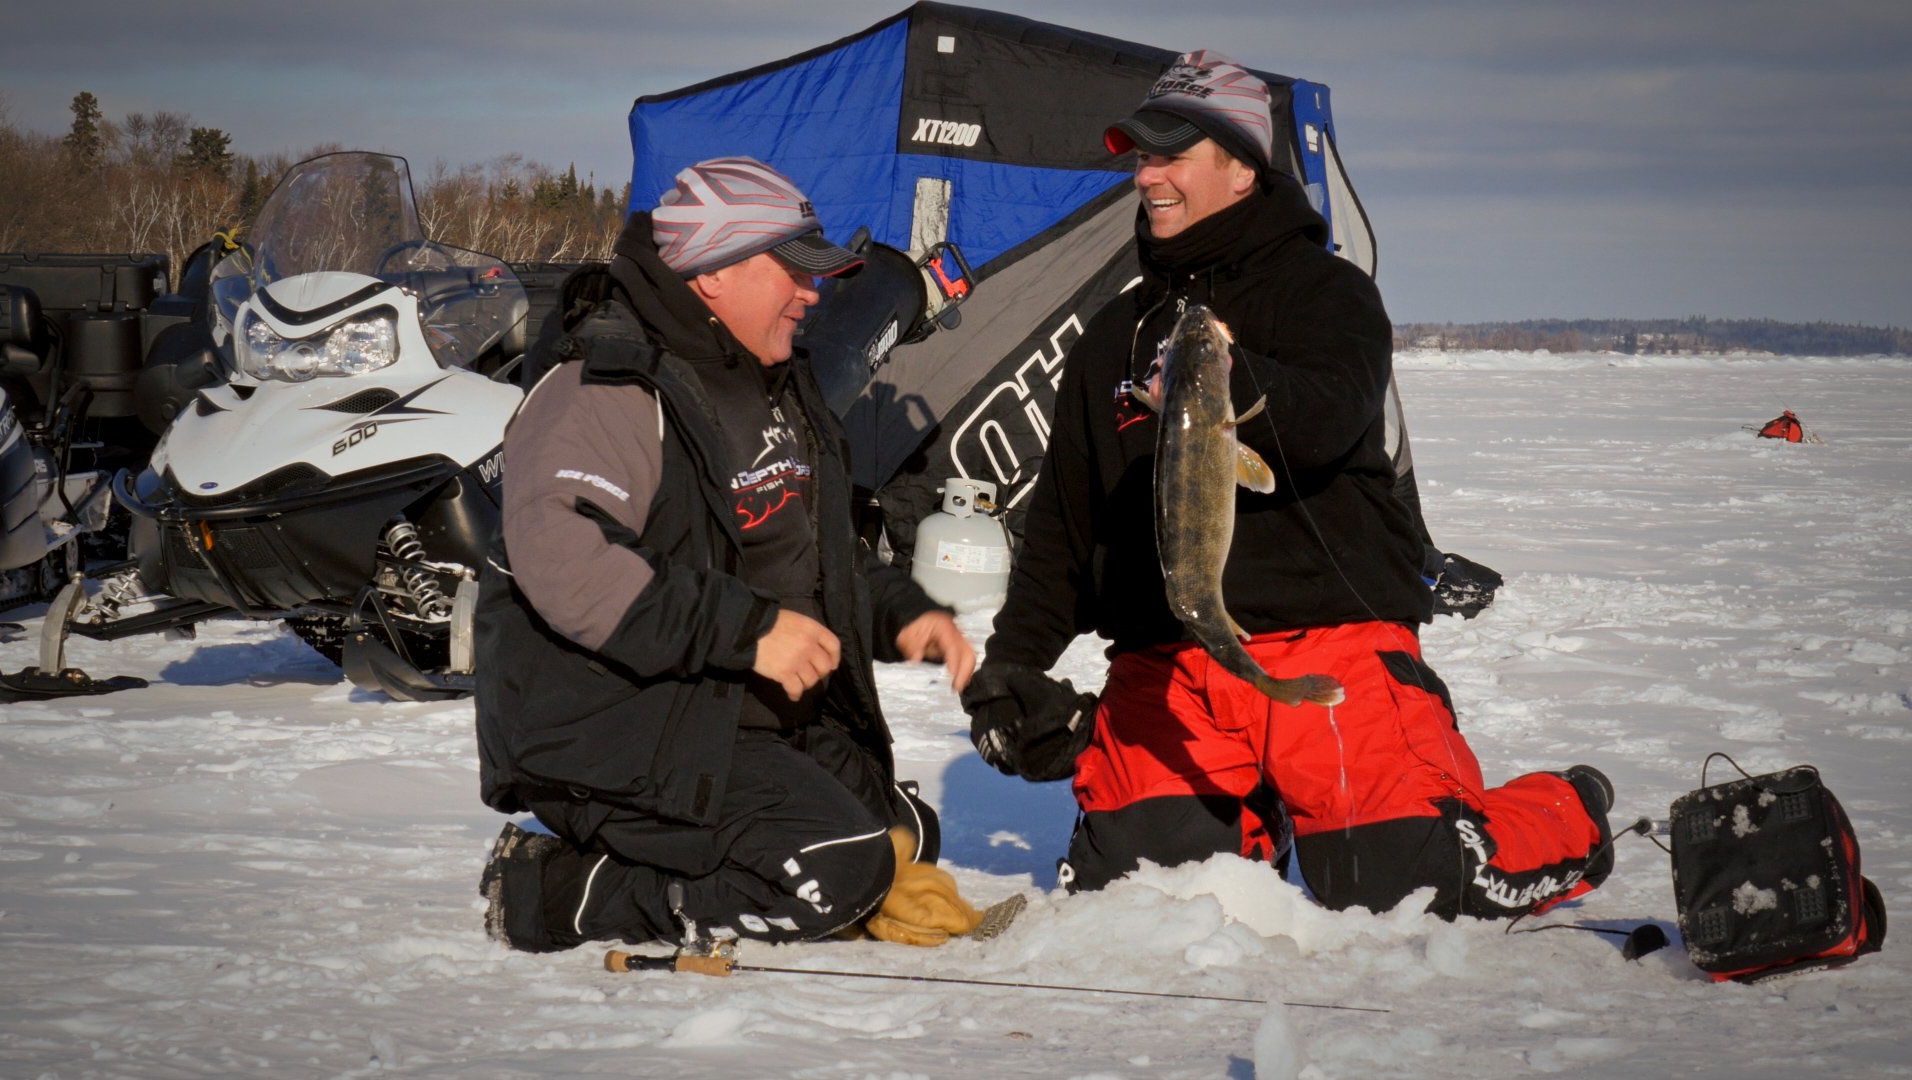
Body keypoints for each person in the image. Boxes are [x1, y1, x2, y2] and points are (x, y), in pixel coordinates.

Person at [961, 53, 1614, 919]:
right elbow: (1063, 533)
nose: (1147, 176)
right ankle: (1252, 817)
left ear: (1240, 167)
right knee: (1140, 897)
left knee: (1404, 891)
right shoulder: (1110, 341)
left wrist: (1222, 385)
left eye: (1172, 154)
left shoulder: (1327, 295)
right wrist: (1010, 668)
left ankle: (1569, 814)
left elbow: (1330, 416)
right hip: (1170, 662)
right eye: (1139, 158)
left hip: (1327, 646)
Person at [477, 157, 981, 952]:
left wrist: (905, 614)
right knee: (845, 872)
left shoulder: (773, 380)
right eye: (794, 273)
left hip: (734, 718)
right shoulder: (606, 388)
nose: (813, 294)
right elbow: (565, 560)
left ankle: (790, 853)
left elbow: (810, 549)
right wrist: (749, 633)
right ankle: (561, 892)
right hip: (618, 731)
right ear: (714, 275)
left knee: (904, 836)